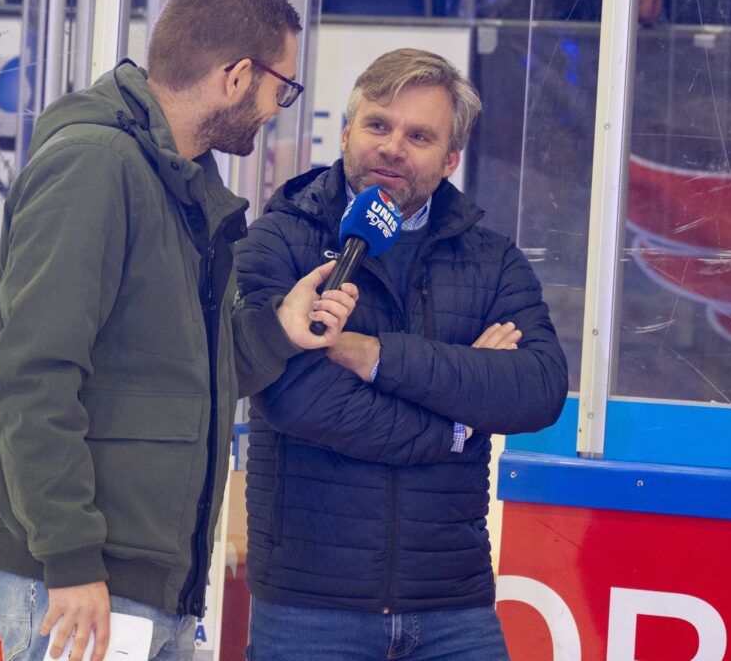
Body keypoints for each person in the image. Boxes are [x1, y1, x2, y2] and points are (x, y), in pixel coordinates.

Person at [0, 0, 359, 661]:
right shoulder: (96, 167)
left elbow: (176, 377)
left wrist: (280, 328)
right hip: (85, 579)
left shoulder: (179, 179)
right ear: (237, 76)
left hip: (147, 582)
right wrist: (71, 557)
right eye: (283, 87)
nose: (280, 106)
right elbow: (32, 379)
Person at [235, 48, 569, 660]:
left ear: (450, 160)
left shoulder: (491, 259)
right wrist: (460, 422)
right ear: (345, 131)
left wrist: (377, 356)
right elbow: (297, 397)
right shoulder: (280, 239)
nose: (392, 147)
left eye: (419, 136)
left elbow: (538, 386)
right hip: (311, 609)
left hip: (453, 606)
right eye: (377, 125)